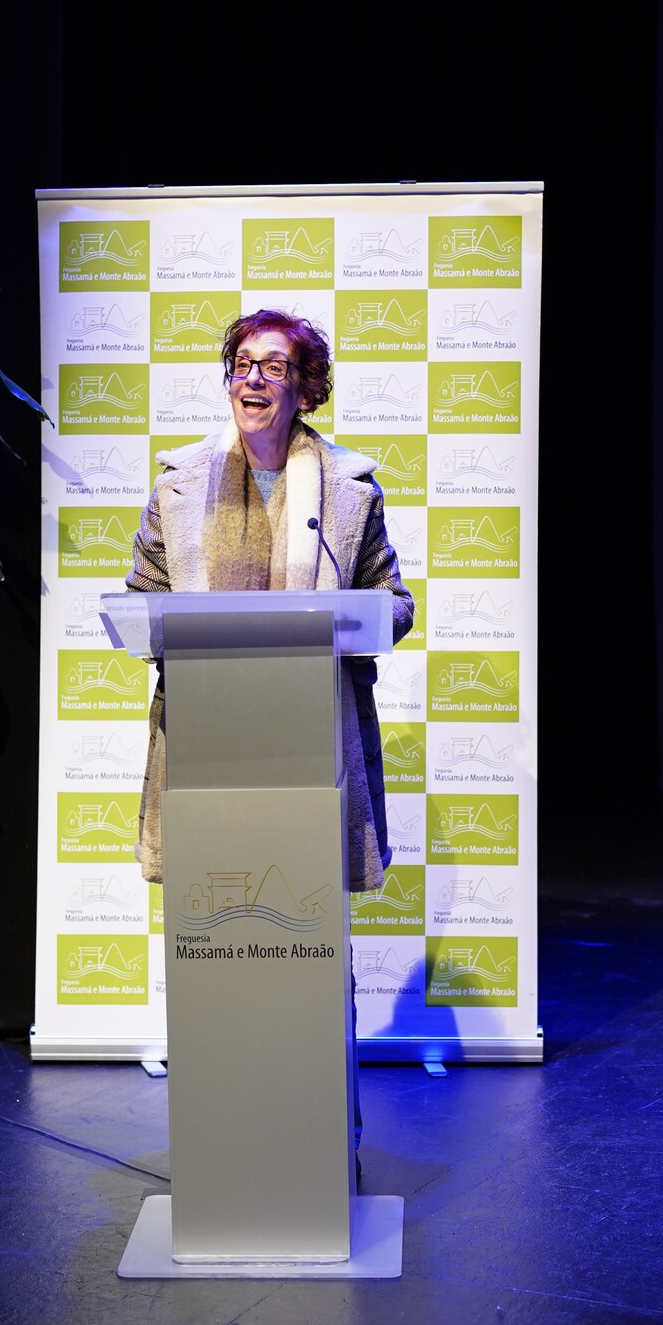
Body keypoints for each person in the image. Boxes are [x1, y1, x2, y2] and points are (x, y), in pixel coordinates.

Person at [125, 309, 417, 890]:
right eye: (242, 365)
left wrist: (339, 620)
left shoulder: (350, 489)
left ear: (306, 392)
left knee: (305, 899)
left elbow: (395, 603)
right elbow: (144, 599)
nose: (253, 378)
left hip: (313, 729)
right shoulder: (177, 487)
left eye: (274, 367)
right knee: (211, 898)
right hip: (207, 728)